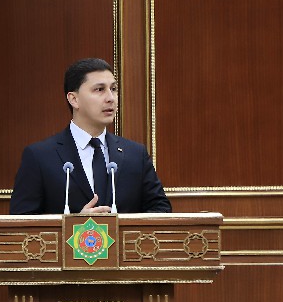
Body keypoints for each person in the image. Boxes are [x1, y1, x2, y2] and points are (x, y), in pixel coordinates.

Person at [9, 58, 171, 215]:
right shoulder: (40, 156)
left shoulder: (135, 154)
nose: (110, 98)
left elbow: (161, 210)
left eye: (113, 89)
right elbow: (22, 221)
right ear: (74, 99)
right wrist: (76, 226)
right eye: (99, 90)